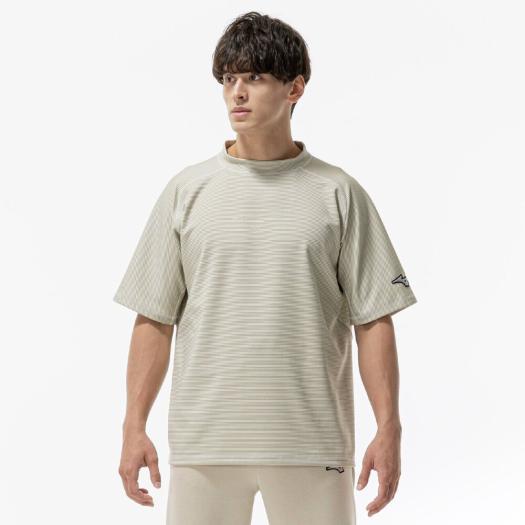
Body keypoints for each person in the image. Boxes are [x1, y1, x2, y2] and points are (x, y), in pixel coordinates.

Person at [113, 11, 417, 525]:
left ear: (294, 88)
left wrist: (389, 428)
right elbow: (154, 317)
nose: (237, 92)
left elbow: (373, 319)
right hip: (205, 443)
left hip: (311, 443)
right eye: (229, 78)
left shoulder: (339, 193)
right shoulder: (186, 192)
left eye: (254, 77)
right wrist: (132, 425)